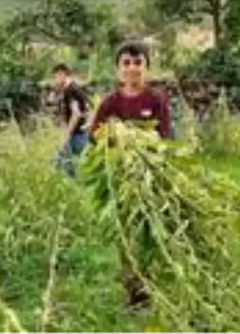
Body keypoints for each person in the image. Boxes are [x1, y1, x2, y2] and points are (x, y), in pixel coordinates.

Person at [89, 41, 171, 310]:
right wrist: (112, 135)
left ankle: (151, 286)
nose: (132, 68)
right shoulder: (110, 103)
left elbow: (166, 138)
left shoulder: (156, 100)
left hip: (150, 176)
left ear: (147, 68)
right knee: (125, 232)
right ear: (118, 69)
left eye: (138, 63)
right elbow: (93, 135)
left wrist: (145, 142)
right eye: (126, 63)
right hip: (120, 178)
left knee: (150, 231)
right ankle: (132, 291)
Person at [51, 63, 91, 178]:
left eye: (55, 77)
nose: (54, 81)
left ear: (62, 74)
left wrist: (67, 133)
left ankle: (75, 187)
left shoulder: (70, 90)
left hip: (77, 134)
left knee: (61, 163)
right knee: (66, 163)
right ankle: (76, 187)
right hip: (79, 133)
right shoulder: (74, 89)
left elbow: (76, 113)